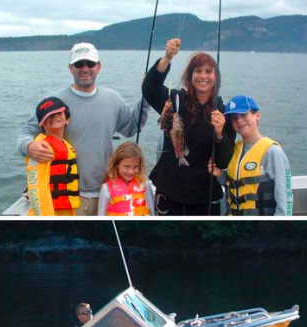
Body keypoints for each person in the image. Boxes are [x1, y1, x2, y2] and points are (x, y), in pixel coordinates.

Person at [18, 42, 149, 215]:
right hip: (68, 198)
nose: (85, 69)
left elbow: (132, 127)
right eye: (79, 64)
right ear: (70, 68)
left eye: (90, 64)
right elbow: (26, 132)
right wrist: (29, 146)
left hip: (106, 192)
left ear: (99, 67)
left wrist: (148, 94)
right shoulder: (53, 101)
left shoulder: (113, 99)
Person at [142, 38, 236, 215]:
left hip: (205, 195)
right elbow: (149, 88)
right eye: (198, 71)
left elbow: (224, 161)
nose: (203, 76)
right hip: (169, 190)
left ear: (216, 77)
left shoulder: (223, 113)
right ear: (190, 76)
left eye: (209, 71)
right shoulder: (175, 101)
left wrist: (220, 133)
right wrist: (167, 58)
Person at [208, 95, 293, 215]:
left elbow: (285, 197)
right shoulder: (235, 149)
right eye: (234, 118)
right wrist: (220, 175)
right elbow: (236, 184)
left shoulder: (272, 151)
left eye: (243, 115)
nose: (239, 121)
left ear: (257, 116)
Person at [25, 97, 79, 216]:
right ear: (41, 123)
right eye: (49, 116)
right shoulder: (41, 148)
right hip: (50, 212)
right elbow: (36, 187)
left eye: (58, 113)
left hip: (66, 209)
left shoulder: (66, 145)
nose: (54, 117)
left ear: (67, 119)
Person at [98, 142, 154, 216]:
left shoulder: (145, 184)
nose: (131, 172)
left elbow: (152, 213)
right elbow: (100, 215)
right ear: (117, 165)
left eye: (135, 167)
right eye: (126, 167)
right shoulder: (106, 188)